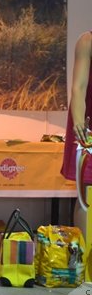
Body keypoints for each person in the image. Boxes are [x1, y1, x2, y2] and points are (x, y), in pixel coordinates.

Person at [61, 30, 92, 235]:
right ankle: (84, 254)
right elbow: (79, 88)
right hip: (88, 121)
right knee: (87, 191)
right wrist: (80, 124)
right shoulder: (87, 41)